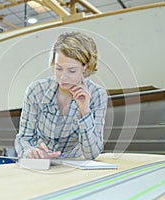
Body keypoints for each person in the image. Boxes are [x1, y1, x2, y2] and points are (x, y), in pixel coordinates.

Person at [15, 31, 108, 160]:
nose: (63, 77)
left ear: (85, 68)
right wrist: (29, 152)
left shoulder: (98, 95)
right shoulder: (36, 90)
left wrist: (85, 111)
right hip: (40, 165)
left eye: (72, 71)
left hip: (74, 166)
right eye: (59, 68)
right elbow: (24, 138)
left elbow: (92, 154)